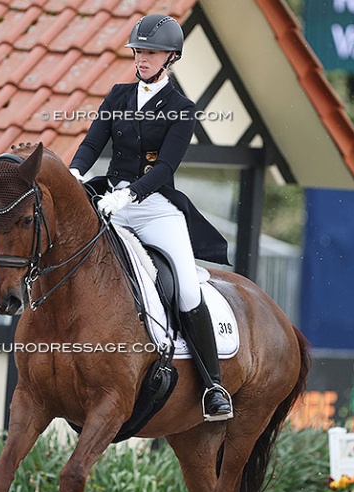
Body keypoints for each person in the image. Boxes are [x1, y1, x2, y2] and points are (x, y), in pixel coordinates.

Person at [69, 14, 232, 420]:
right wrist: (74, 174)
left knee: (187, 287)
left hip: (155, 208)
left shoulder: (181, 107)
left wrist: (130, 194)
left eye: (151, 53)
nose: (142, 58)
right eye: (139, 51)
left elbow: (165, 169)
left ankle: (213, 386)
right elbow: (93, 143)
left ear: (170, 57)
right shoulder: (119, 95)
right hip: (111, 204)